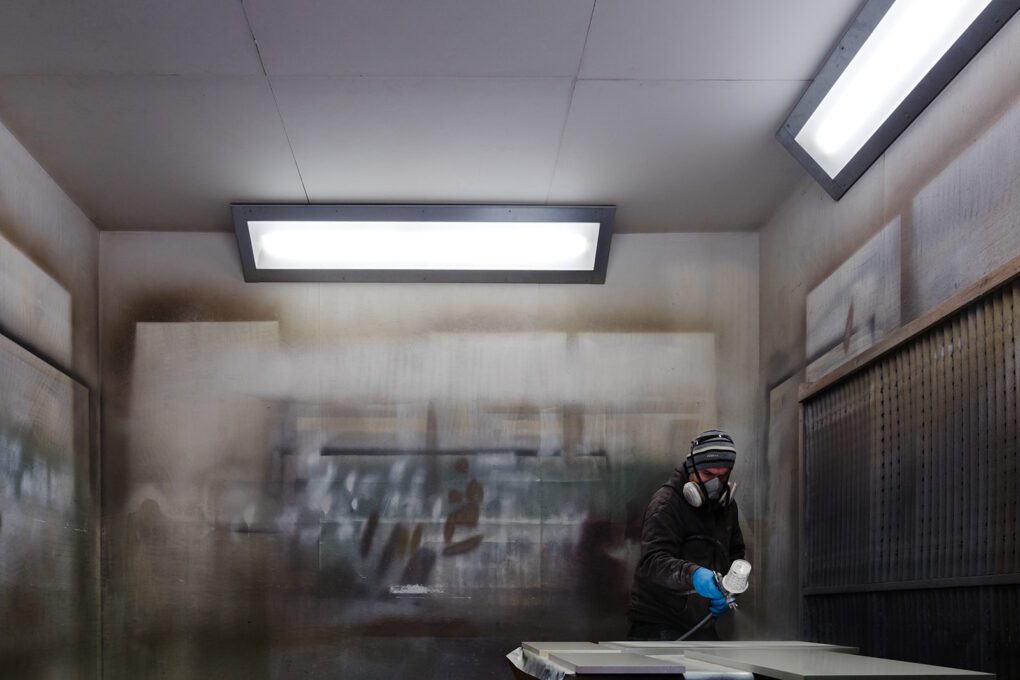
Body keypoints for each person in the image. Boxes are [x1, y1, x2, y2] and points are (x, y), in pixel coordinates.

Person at [626, 428, 746, 641]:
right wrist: (695, 576)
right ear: (692, 468)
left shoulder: (727, 506)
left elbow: (735, 551)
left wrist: (729, 588)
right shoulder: (666, 504)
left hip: (701, 622)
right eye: (708, 475)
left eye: (723, 475)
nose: (715, 484)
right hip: (658, 624)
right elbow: (653, 562)